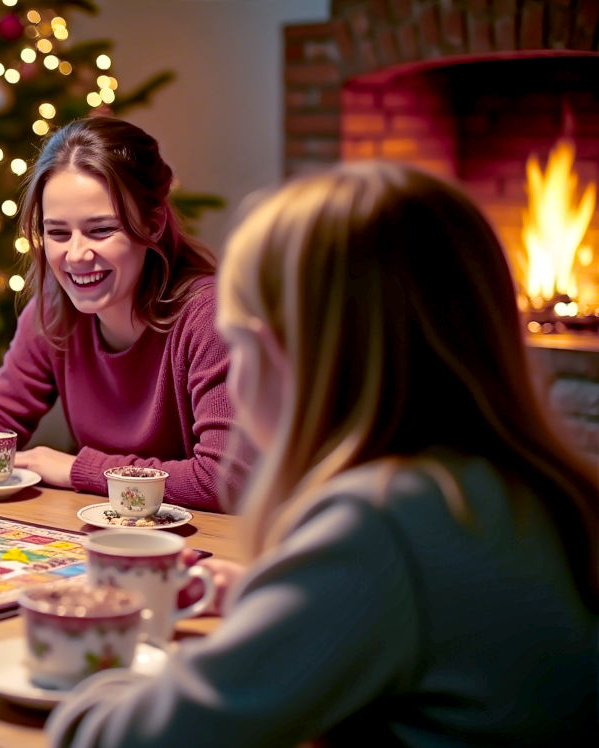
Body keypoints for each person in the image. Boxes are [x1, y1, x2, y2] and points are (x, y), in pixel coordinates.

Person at [47, 161, 599, 746]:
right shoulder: (529, 491)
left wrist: (96, 677)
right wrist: (278, 596)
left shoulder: (378, 524)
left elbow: (117, 739)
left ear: (276, 354)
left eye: (236, 342)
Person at [0, 116, 242, 510]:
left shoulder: (209, 316)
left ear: (154, 223)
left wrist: (76, 469)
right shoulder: (53, 308)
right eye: (57, 233)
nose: (75, 255)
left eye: (101, 230)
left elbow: (225, 480)